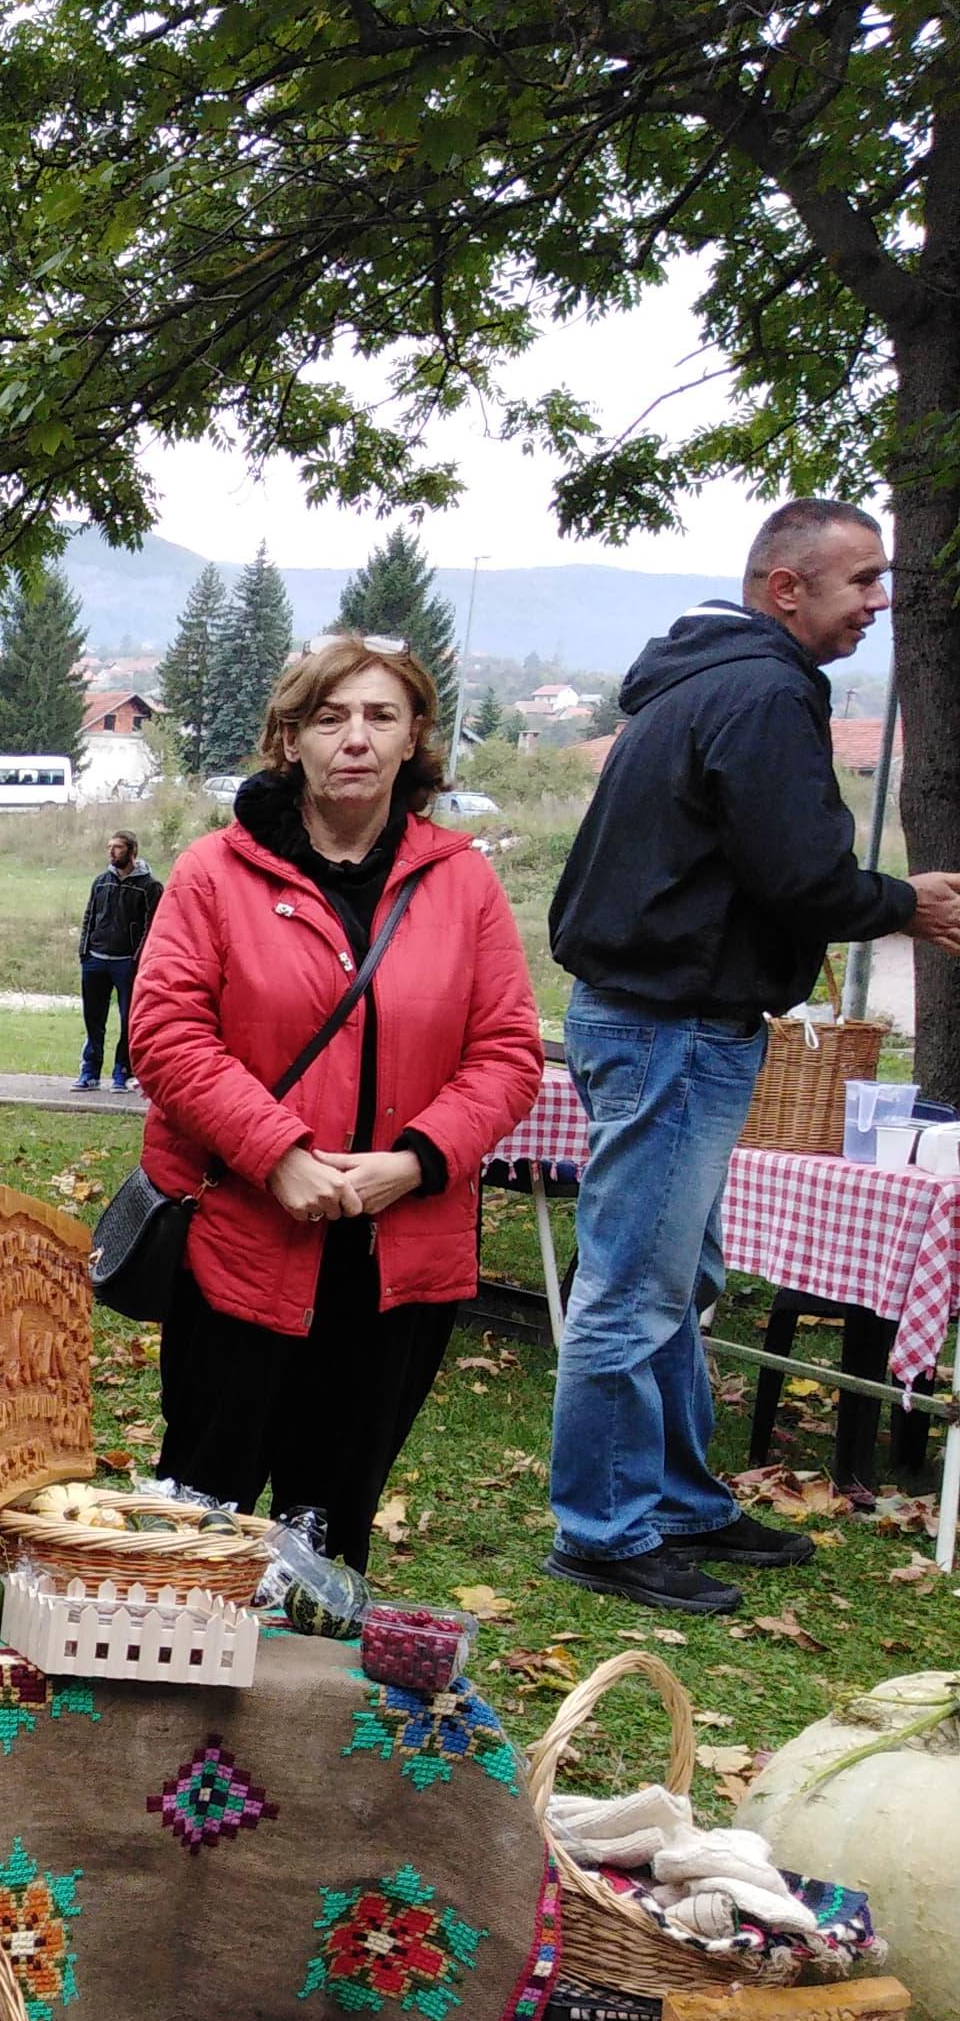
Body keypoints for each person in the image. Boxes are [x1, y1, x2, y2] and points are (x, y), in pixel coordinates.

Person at [542, 499, 960, 1613]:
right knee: (632, 1292)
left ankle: (677, 1499)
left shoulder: (702, 682)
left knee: (680, 1284)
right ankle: (599, 1527)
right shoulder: (764, 689)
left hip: (662, 1015)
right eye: (860, 580)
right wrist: (900, 903)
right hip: (669, 1024)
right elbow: (799, 875)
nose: (879, 601)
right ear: (785, 587)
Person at [128, 637, 544, 1567]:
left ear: (413, 741)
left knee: (332, 1529)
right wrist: (276, 1152)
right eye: (330, 718)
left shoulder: (461, 881)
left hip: (399, 1259)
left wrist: (419, 1160)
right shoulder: (215, 874)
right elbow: (166, 1034)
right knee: (200, 1518)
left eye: (380, 717)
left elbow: (508, 1053)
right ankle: (167, 1697)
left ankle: (306, 1703)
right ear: (290, 740)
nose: (355, 738)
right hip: (242, 1238)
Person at [75, 828, 162, 1090]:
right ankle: (90, 1072)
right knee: (93, 1019)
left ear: (132, 851)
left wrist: (138, 959)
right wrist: (84, 951)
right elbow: (89, 916)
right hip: (96, 959)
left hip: (127, 962)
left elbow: (153, 926)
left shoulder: (150, 886)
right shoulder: (101, 881)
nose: (112, 852)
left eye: (118, 847)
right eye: (110, 847)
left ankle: (122, 1072)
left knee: (128, 1020)